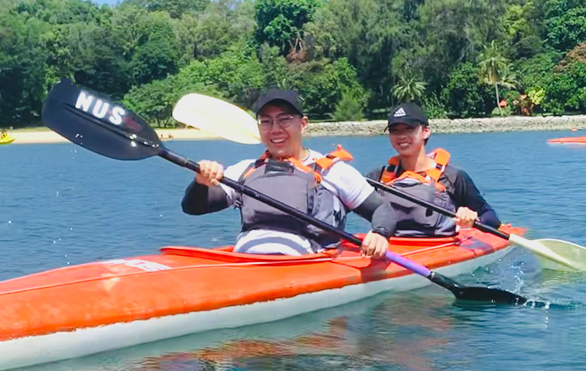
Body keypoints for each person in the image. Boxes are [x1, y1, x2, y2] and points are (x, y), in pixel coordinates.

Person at [181, 89, 396, 259]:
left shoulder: (333, 172)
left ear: (303, 124)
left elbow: (382, 209)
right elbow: (193, 208)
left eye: (284, 120)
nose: (275, 129)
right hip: (246, 261)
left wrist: (379, 233)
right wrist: (200, 183)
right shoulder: (246, 170)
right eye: (266, 122)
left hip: (308, 264)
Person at [366, 103, 500, 238]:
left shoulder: (453, 177)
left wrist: (475, 218)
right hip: (390, 247)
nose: (401, 136)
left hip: (438, 249)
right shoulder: (377, 178)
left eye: (409, 129)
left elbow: (491, 217)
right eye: (395, 130)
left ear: (425, 131)